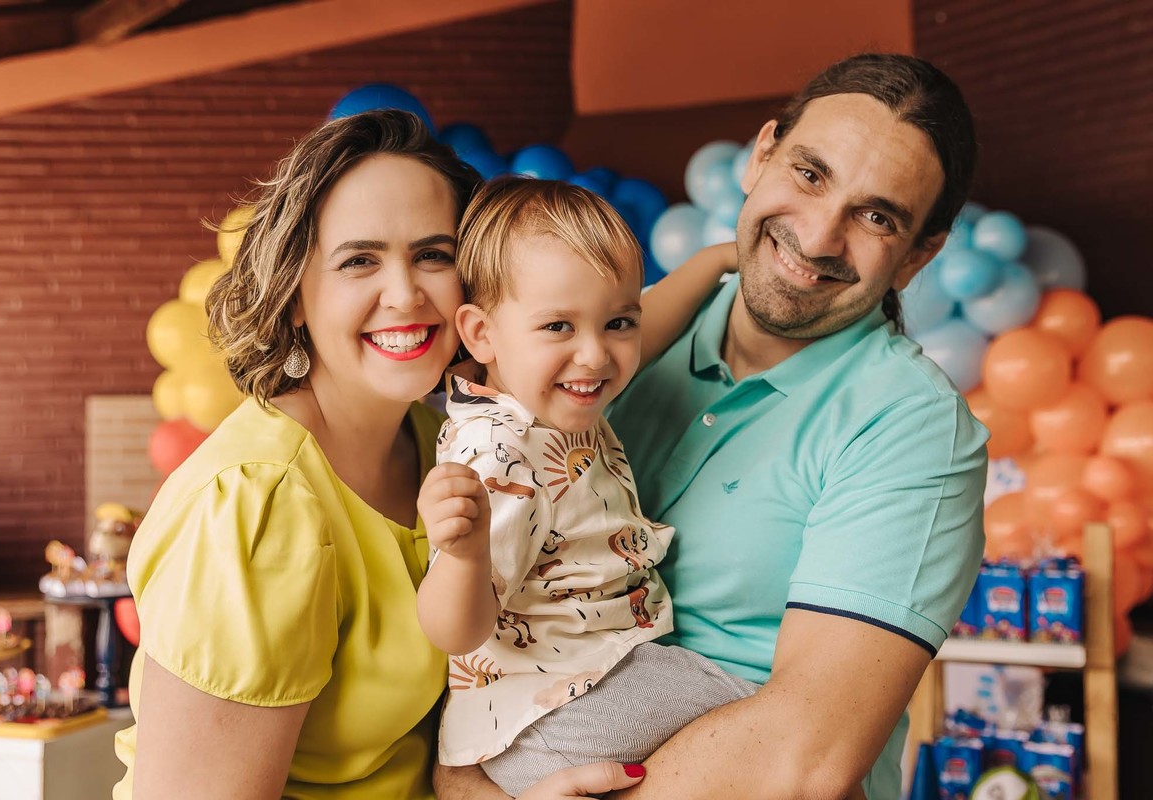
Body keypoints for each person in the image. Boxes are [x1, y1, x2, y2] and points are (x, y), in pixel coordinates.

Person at [434, 53, 989, 800]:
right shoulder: (607, 347)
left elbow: (805, 759)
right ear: (761, 156)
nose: (819, 236)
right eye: (810, 174)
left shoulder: (912, 426)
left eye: (876, 217)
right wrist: (464, 777)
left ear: (920, 255)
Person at [112, 111, 645, 800]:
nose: (404, 294)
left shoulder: (443, 443)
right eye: (359, 260)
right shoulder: (256, 502)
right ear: (295, 294)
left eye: (433, 255)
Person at [415, 177, 746, 797]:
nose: (595, 355)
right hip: (555, 715)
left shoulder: (547, 394)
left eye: (616, 322)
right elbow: (454, 633)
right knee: (765, 721)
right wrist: (462, 555)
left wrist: (714, 261)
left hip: (565, 698)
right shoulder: (501, 455)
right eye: (558, 326)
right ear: (481, 333)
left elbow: (650, 322)